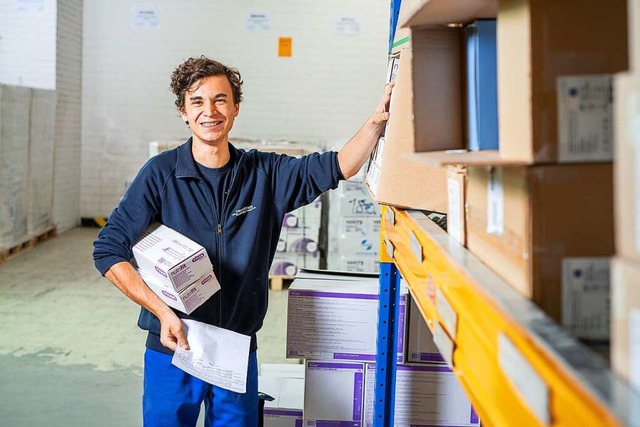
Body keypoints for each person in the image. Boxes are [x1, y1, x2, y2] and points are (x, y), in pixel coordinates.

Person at [93, 55, 392, 427]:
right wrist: (161, 311)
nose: (210, 111)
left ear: (235, 107)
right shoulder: (160, 174)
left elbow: (337, 166)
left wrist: (374, 124)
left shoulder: (265, 174)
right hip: (172, 345)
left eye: (220, 99)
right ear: (183, 112)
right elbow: (108, 249)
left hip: (234, 348)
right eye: (197, 101)